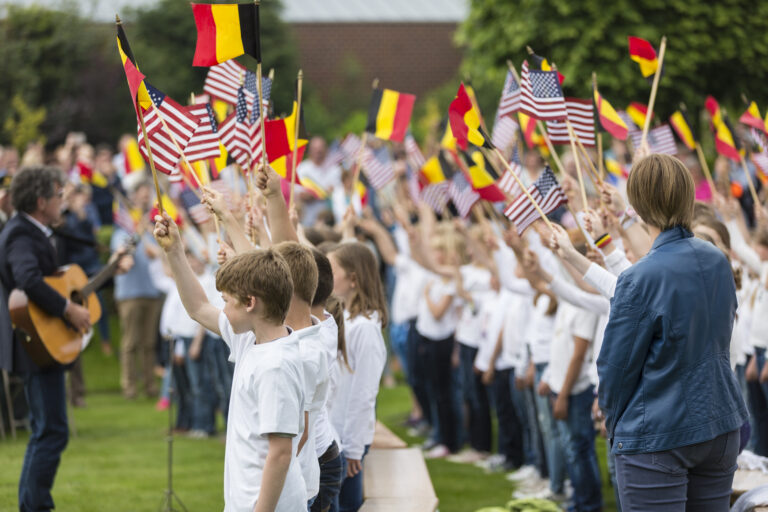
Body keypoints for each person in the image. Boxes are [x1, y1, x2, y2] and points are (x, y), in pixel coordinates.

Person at [597, 154, 749, 511]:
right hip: (718, 418)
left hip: (660, 431)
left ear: (637, 203)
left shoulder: (640, 277)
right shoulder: (715, 259)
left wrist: (613, 421)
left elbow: (616, 369)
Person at [153, 212, 307, 512]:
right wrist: (174, 251)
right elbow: (198, 307)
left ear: (250, 303)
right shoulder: (249, 338)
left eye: (226, 300)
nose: (221, 306)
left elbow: (281, 453)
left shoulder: (275, 364)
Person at [0, 166, 91, 511]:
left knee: (46, 431)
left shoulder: (31, 230)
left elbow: (55, 282)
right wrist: (67, 310)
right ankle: (35, 506)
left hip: (38, 345)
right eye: (57, 196)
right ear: (41, 201)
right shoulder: (22, 235)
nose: (61, 201)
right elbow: (29, 279)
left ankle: (32, 504)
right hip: (34, 346)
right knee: (51, 432)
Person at [327, 242, 388, 512]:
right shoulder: (347, 318)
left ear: (353, 279)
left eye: (332, 270)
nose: (327, 277)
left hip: (346, 438)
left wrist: (352, 447)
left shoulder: (365, 328)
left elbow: (364, 392)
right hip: (335, 432)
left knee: (345, 506)